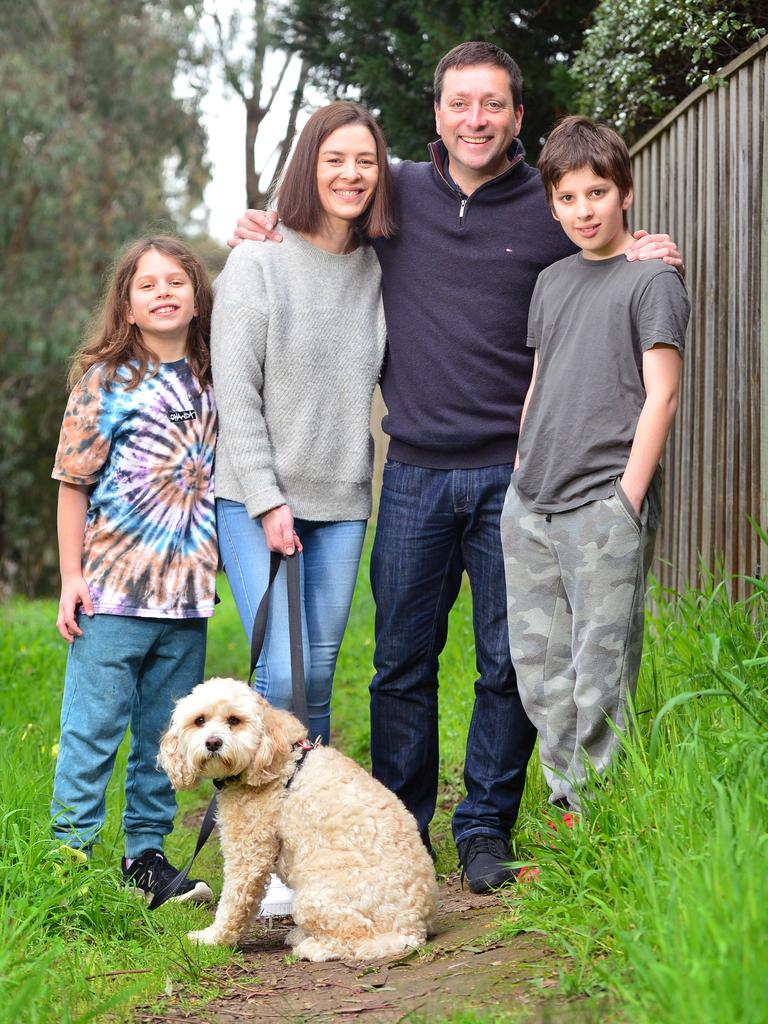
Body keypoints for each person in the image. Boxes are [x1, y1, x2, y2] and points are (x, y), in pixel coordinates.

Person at [231, 41, 683, 893]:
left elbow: (599, 243)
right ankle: (404, 830)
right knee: (401, 659)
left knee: (507, 663)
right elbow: (325, 204)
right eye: (460, 104)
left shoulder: (546, 206)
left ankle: (484, 828)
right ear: (436, 114)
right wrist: (260, 225)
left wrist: (640, 250)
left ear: (517, 117)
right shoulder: (396, 191)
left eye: (493, 105)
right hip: (412, 473)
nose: (476, 119)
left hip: (516, 478)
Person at [211, 101, 392, 914]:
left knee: (315, 677)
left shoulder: (381, 266)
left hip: (344, 497)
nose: (351, 174)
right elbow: (235, 395)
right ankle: (252, 854)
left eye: (365, 161)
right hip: (257, 500)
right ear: (307, 166)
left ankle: (296, 856)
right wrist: (267, 498)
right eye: (335, 159)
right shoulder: (256, 262)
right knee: (278, 672)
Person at [501, 116, 689, 813]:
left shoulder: (652, 279)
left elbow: (662, 394)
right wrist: (520, 473)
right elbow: (540, 382)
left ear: (626, 192)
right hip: (532, 503)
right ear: (552, 204)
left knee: (598, 674)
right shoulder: (551, 281)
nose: (585, 210)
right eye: (570, 197)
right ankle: (567, 802)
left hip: (602, 505)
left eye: (598, 193)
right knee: (542, 674)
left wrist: (627, 501)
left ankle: (602, 819)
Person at [51, 236, 217, 904]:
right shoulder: (105, 383)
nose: (164, 293)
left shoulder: (214, 375)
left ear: (198, 296)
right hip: (113, 595)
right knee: (91, 732)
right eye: (147, 284)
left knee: (162, 739)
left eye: (177, 281)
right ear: (126, 304)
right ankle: (67, 860)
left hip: (186, 600)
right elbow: (71, 482)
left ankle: (145, 859)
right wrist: (70, 576)